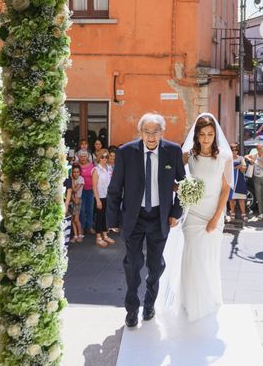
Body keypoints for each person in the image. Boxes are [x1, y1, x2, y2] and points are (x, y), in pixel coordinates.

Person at [106, 113, 186, 328]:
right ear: (140, 132)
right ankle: (132, 310)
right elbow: (115, 188)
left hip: (160, 217)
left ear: (162, 132)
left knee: (155, 265)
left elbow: (183, 184)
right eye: (147, 132)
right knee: (132, 265)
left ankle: (149, 304)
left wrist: (175, 213)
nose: (151, 137)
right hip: (134, 217)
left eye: (155, 132)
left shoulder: (173, 151)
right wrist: (112, 218)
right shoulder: (126, 153)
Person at [178, 113, 233, 321]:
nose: (206, 138)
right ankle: (191, 303)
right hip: (193, 214)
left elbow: (226, 190)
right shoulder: (188, 156)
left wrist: (215, 218)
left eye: (210, 134)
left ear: (215, 136)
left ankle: (208, 299)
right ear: (197, 136)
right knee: (193, 257)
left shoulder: (225, 159)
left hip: (213, 215)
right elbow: (175, 178)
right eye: (202, 134)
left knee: (208, 258)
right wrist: (182, 189)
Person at [92, 149, 115, 247]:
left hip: (107, 196)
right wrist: (97, 200)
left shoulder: (109, 168)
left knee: (106, 217)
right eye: (102, 157)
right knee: (99, 218)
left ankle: (105, 235)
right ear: (99, 158)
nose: (105, 159)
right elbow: (94, 186)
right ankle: (98, 237)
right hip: (100, 197)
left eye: (106, 157)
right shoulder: (96, 170)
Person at [245, 143, 263, 223]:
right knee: (259, 197)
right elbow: (246, 156)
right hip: (257, 178)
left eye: (261, 148)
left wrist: (260, 160)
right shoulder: (255, 155)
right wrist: (250, 160)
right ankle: (261, 213)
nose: (259, 150)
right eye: (258, 148)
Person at [228, 142, 248, 222]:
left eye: (236, 150)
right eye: (232, 150)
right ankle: (232, 213)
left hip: (239, 180)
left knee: (241, 198)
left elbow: (244, 169)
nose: (234, 151)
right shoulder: (228, 158)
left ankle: (243, 214)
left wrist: (240, 167)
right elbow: (226, 169)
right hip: (230, 179)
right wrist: (237, 167)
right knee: (232, 198)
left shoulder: (240, 158)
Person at [64, 164, 84, 242]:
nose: (76, 173)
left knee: (76, 219)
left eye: (77, 172)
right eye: (74, 172)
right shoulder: (71, 179)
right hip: (72, 200)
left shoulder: (81, 179)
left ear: (80, 173)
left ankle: (80, 235)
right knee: (72, 220)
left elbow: (74, 190)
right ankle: (75, 235)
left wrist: (71, 181)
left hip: (77, 201)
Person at [77, 150, 95, 235]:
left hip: (90, 190)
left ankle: (90, 226)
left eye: (84, 156)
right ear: (79, 157)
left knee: (90, 209)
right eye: (81, 156)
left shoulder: (92, 166)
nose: (83, 158)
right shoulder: (76, 165)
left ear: (87, 157)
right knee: (82, 209)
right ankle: (82, 227)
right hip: (80, 191)